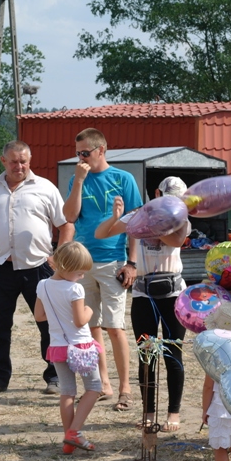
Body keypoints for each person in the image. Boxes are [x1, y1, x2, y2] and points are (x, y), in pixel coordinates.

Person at [0, 140, 74, 396]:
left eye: (24, 161)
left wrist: (59, 258)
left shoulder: (45, 188)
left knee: (49, 325)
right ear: (3, 161)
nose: (19, 166)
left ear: (30, 161)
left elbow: (66, 225)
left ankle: (55, 376)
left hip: (38, 267)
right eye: (14, 161)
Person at [94, 176, 190, 431]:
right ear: (158, 193)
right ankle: (148, 412)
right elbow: (101, 234)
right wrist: (116, 218)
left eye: (178, 200)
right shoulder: (139, 215)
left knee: (173, 353)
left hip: (172, 293)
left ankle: (173, 412)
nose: (173, 204)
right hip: (143, 294)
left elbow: (176, 241)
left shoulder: (181, 217)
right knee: (147, 355)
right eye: (169, 199)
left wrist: (150, 224)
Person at [63, 128, 143, 412]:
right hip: (83, 263)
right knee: (91, 325)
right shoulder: (77, 179)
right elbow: (70, 216)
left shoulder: (123, 179)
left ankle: (125, 389)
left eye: (85, 153)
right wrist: (78, 182)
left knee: (115, 327)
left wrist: (132, 262)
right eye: (78, 154)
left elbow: (136, 223)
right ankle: (103, 384)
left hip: (113, 261)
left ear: (101, 150)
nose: (81, 159)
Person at [34, 242, 102, 454]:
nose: (82, 277)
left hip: (58, 346)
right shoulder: (75, 288)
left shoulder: (42, 285)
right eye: (80, 273)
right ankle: (74, 432)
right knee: (94, 387)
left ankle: (68, 441)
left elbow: (39, 316)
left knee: (67, 392)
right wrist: (90, 310)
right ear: (66, 267)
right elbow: (80, 321)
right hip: (80, 345)